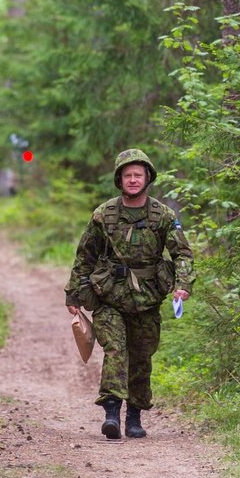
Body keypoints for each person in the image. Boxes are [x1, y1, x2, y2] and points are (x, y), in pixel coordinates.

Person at [64, 149, 194, 440]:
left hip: (147, 299)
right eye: (127, 175)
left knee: (141, 356)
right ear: (119, 180)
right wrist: (74, 294)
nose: (133, 180)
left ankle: (134, 417)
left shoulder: (163, 215)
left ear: (147, 177)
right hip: (110, 296)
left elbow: (182, 252)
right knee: (115, 351)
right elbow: (85, 255)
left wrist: (182, 283)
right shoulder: (104, 214)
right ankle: (111, 413)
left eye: (138, 175)